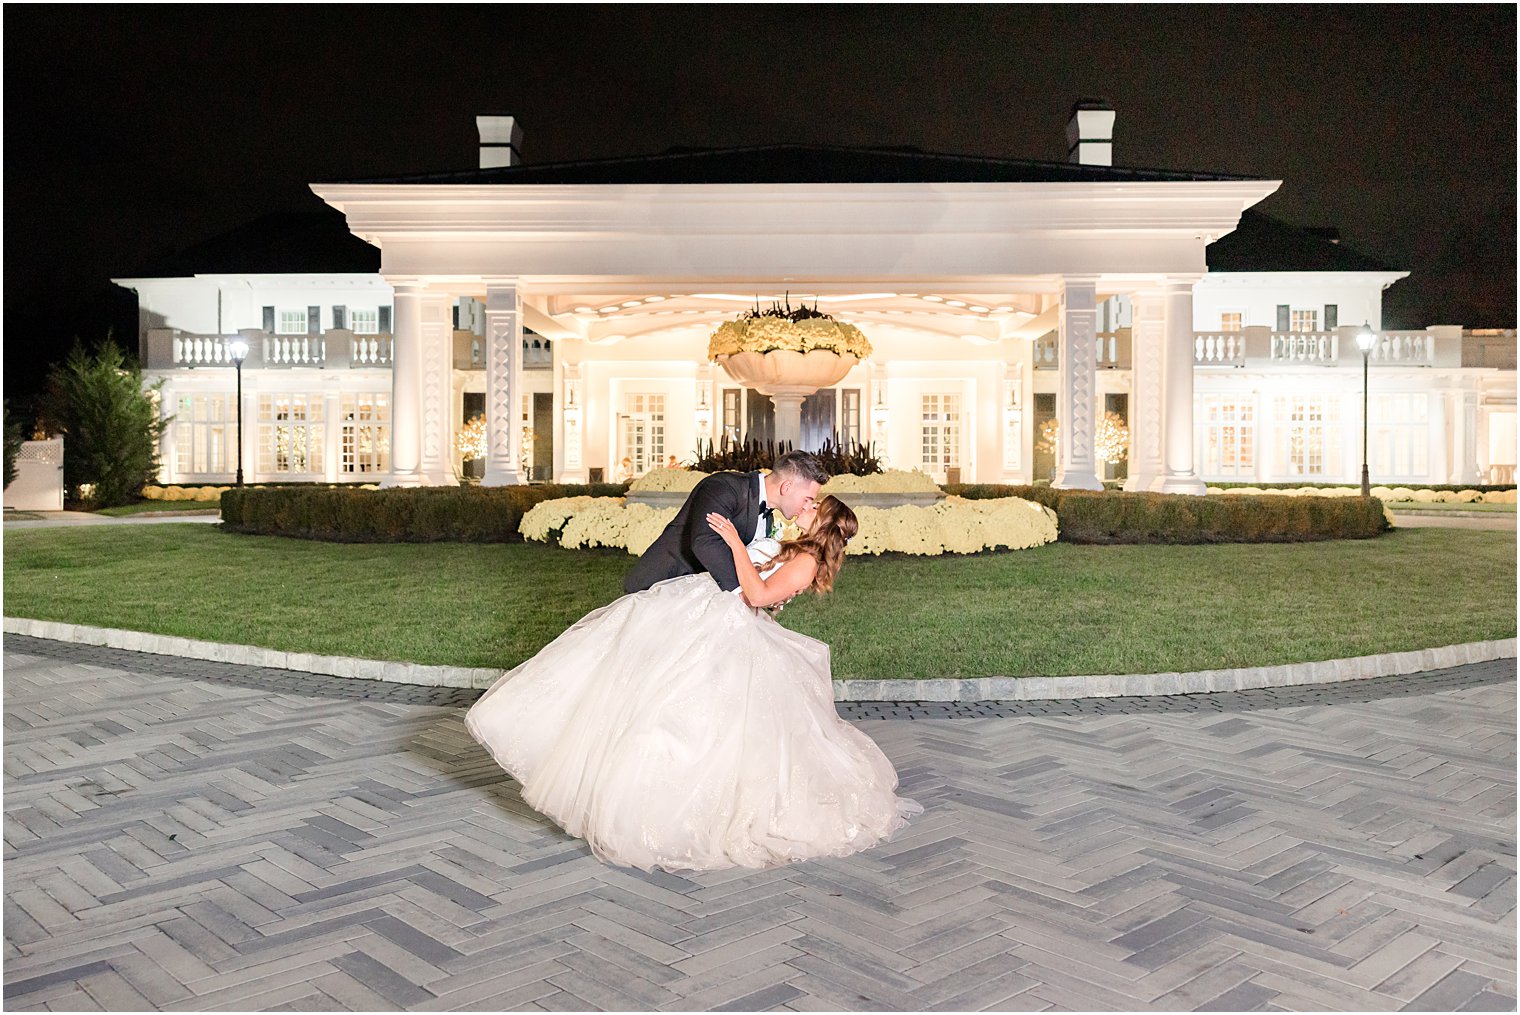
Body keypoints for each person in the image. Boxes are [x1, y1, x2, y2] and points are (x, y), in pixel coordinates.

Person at [464, 494, 920, 872]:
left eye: (815, 504)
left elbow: (758, 596)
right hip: (708, 610)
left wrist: (733, 545)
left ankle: (664, 811)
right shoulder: (797, 548)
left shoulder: (807, 560)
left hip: (729, 626)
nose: (807, 504)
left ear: (822, 521)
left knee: (694, 715)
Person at [623, 450, 825, 595]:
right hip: (662, 586)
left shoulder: (768, 517)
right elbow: (705, 540)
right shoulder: (725, 486)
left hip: (704, 599)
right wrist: (743, 594)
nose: (808, 506)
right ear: (787, 486)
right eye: (807, 498)